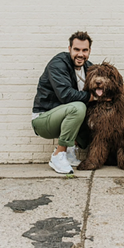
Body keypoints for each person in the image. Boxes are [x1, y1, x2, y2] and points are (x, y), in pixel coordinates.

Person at [32, 31, 95, 174]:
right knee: (78, 107)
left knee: (97, 116)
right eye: (76, 49)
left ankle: (70, 153)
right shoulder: (58, 63)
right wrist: (92, 97)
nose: (80, 54)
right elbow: (66, 95)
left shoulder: (89, 68)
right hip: (44, 118)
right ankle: (58, 155)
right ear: (69, 49)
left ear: (89, 51)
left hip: (64, 118)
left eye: (84, 50)